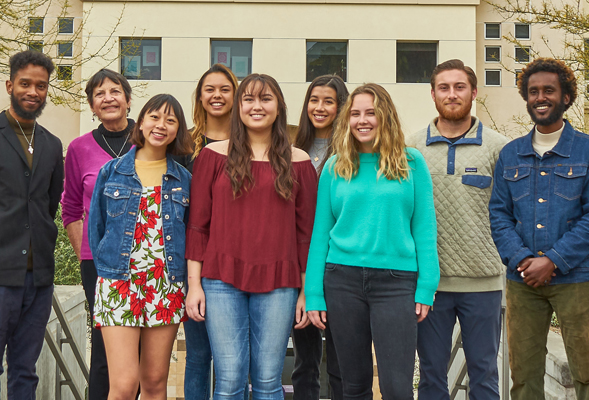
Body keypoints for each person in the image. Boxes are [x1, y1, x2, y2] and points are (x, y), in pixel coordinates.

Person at [185, 73, 317, 400]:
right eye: (249, 99)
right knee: (229, 381)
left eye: (266, 99)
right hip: (219, 280)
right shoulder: (212, 156)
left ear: (279, 107)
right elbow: (198, 227)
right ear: (238, 106)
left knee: (269, 382)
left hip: (281, 282)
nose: (257, 106)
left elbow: (306, 235)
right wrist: (195, 285)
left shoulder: (299, 162)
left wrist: (305, 292)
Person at [305, 83, 440, 400]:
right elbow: (320, 233)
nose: (362, 120)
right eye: (355, 114)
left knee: (396, 387)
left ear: (386, 117)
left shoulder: (412, 163)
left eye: (370, 113)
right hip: (341, 281)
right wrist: (313, 293)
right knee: (353, 385)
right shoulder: (335, 166)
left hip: (396, 284)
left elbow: (424, 228)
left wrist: (427, 284)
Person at [406, 59, 508, 399]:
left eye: (460, 87)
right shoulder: (411, 148)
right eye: (444, 88)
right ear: (433, 94)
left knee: (484, 373)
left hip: (484, 283)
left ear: (474, 93)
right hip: (428, 285)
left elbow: (513, 213)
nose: (452, 95)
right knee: (432, 376)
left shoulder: (499, 148)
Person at [489, 58, 589, 400]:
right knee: (524, 376)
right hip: (523, 282)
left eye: (549, 90)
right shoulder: (511, 154)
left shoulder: (586, 150)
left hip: (577, 280)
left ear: (566, 97)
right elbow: (499, 215)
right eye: (533, 92)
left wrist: (554, 260)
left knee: (587, 372)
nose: (540, 97)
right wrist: (521, 258)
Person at [88, 94, 193, 399]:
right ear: (142, 121)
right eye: (155, 117)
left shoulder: (183, 178)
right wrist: (110, 271)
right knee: (123, 385)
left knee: (155, 381)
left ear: (178, 130)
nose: (161, 125)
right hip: (119, 284)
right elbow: (97, 230)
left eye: (171, 120)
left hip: (166, 285)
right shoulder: (112, 171)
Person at [61, 68, 134, 400]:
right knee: (105, 351)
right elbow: (71, 209)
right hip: (100, 266)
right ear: (91, 105)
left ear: (128, 100)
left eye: (115, 91)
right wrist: (85, 252)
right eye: (100, 94)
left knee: (145, 353)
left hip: (149, 262)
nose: (108, 98)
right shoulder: (78, 149)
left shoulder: (149, 139)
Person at [0, 50, 64, 398]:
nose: (33, 91)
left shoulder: (53, 145)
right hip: (0, 273)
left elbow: (48, 207)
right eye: (25, 83)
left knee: (26, 371)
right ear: (10, 84)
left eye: (41, 86)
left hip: (38, 277)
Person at [180, 64, 239, 400]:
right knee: (199, 354)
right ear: (200, 97)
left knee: (236, 363)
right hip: (195, 260)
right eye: (210, 89)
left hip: (236, 261)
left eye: (225, 89)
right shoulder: (184, 144)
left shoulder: (251, 142)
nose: (217, 96)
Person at [291, 74, 348, 400]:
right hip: (300, 265)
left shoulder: (350, 151)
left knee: (341, 360)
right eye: (314, 100)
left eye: (328, 101)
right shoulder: (293, 149)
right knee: (305, 359)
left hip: (339, 265)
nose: (320, 107)